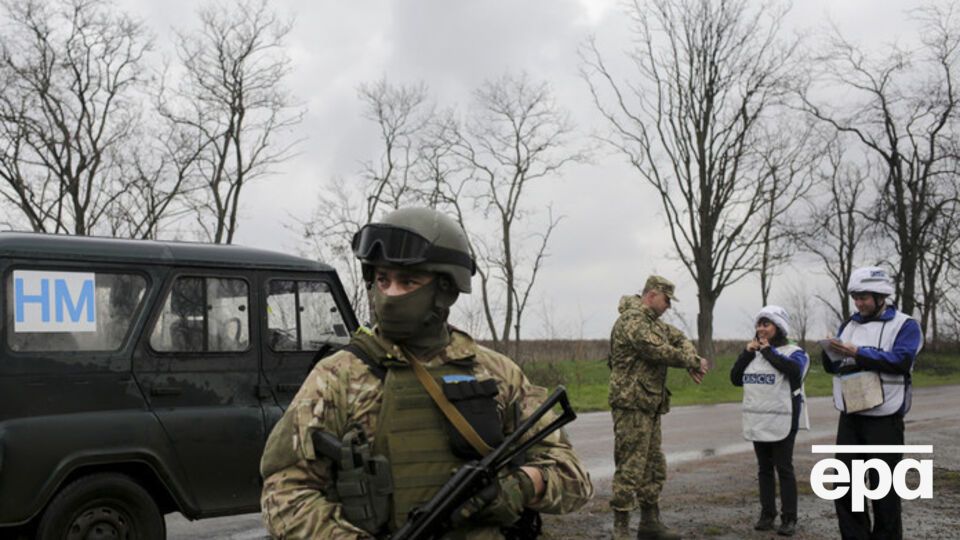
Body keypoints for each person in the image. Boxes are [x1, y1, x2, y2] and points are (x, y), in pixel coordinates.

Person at [259, 207, 594, 539]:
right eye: (382, 280)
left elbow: (573, 478)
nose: (389, 295)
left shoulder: (496, 374)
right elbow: (284, 494)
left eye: (408, 281)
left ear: (445, 288)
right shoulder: (338, 376)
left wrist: (521, 486)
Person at [823, 266, 923, 540]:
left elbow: (902, 360)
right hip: (851, 417)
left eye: (864, 297)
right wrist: (829, 352)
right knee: (846, 488)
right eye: (855, 297)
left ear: (881, 296)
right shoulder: (850, 325)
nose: (858, 303)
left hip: (885, 420)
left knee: (884, 493)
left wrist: (859, 352)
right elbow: (836, 367)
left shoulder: (905, 325)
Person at [608, 276, 709, 540]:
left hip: (650, 405)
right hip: (631, 405)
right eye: (666, 300)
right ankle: (621, 528)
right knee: (630, 467)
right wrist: (693, 361)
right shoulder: (632, 321)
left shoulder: (656, 325)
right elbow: (657, 351)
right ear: (652, 295)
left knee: (653, 465)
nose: (669, 306)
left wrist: (691, 359)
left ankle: (649, 522)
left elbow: (680, 339)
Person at [730, 305, 809, 537]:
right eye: (759, 324)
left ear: (778, 327)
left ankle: (789, 518)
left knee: (784, 468)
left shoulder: (795, 352)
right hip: (758, 421)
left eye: (767, 324)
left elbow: (794, 372)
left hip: (784, 420)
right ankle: (767, 514)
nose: (761, 329)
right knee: (764, 469)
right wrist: (747, 352)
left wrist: (767, 352)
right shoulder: (753, 353)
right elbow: (735, 379)